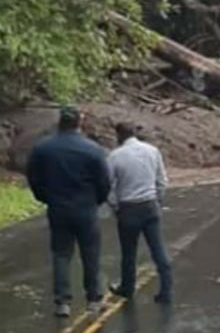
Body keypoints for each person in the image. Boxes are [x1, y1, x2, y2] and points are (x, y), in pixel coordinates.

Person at [26, 106, 110, 317]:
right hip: (86, 208)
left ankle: (62, 301)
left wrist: (45, 197)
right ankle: (93, 299)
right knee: (90, 253)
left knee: (61, 254)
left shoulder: (43, 148)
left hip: (58, 207)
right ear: (79, 123)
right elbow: (104, 182)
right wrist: (96, 200)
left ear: (59, 122)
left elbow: (34, 177)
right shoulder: (92, 149)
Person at [107, 122, 172, 304]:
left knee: (129, 253)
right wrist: (157, 199)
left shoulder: (115, 156)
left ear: (119, 135)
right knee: (158, 249)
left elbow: (108, 186)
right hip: (150, 205)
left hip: (128, 208)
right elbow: (162, 180)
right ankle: (166, 289)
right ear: (134, 133)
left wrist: (115, 206)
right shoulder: (152, 151)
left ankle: (127, 288)